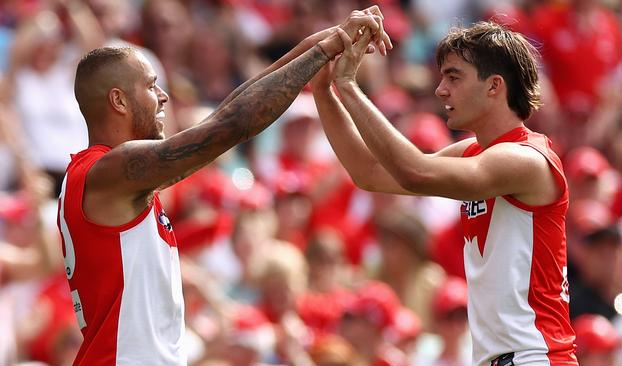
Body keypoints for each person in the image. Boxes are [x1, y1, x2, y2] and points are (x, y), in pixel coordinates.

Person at [56, 6, 392, 365]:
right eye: (153, 86)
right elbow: (229, 126)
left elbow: (223, 115)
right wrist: (323, 52)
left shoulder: (110, 174)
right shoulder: (108, 170)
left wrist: (319, 43)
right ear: (119, 100)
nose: (164, 97)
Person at [312, 22, 577, 365]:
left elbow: (414, 172)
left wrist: (348, 86)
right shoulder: (474, 153)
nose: (441, 90)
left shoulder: (525, 159)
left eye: (454, 77)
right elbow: (370, 174)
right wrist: (324, 90)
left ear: (494, 86)